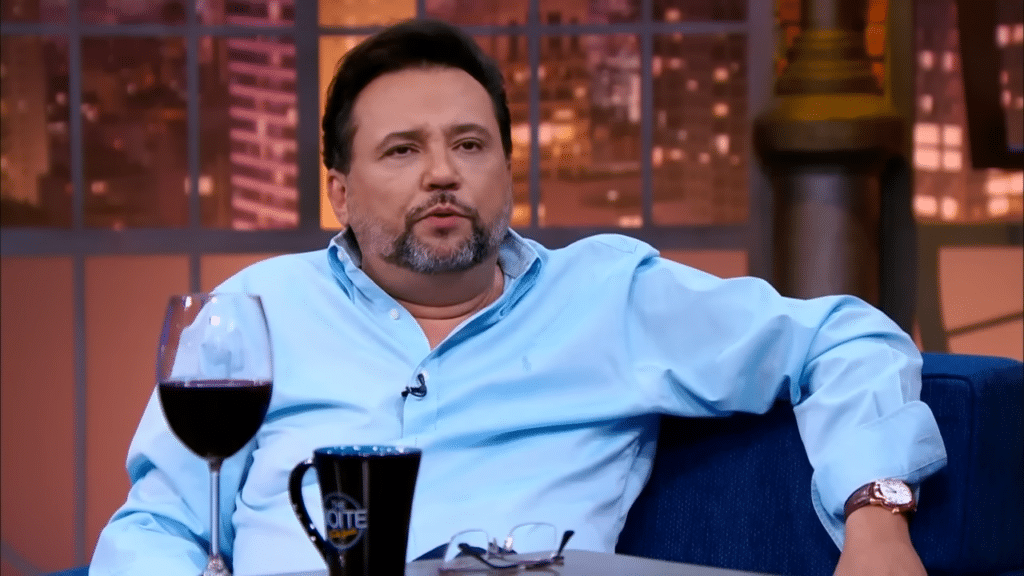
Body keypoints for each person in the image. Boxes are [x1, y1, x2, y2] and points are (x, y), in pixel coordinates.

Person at [91, 18, 946, 576]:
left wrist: (876, 516)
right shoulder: (256, 311)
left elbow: (844, 338)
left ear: (507, 170)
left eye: (470, 145)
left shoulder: (609, 299)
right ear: (339, 192)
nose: (442, 173)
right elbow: (156, 525)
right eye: (401, 151)